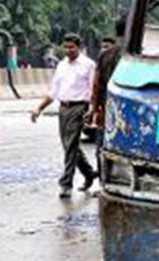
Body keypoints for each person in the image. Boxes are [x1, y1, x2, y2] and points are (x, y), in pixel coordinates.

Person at [31, 33, 98, 198]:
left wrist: (92, 109)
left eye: (71, 47)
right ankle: (89, 173)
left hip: (79, 107)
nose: (68, 50)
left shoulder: (89, 65)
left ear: (79, 47)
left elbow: (93, 89)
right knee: (69, 146)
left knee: (70, 145)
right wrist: (39, 108)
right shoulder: (61, 65)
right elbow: (53, 91)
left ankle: (66, 184)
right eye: (66, 47)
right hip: (63, 108)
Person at [90, 17, 127, 136]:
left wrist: (94, 109)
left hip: (108, 107)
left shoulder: (104, 55)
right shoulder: (138, 55)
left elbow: (96, 84)